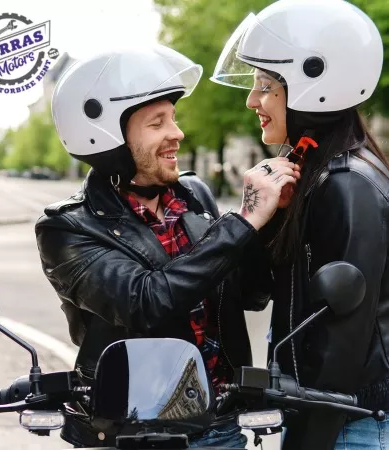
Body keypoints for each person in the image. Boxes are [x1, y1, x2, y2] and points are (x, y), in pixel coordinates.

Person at [35, 44, 300, 448]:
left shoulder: (193, 195)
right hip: (131, 432)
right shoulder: (67, 228)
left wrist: (267, 220)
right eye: (157, 123)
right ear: (107, 137)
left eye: (173, 118)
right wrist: (243, 221)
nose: (177, 133)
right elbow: (147, 302)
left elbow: (252, 295)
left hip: (219, 424)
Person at [211, 0, 389, 448]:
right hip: (329, 417)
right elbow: (252, 293)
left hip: (350, 425)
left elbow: (341, 345)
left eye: (265, 86)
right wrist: (261, 220)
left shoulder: (347, 185)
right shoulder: (311, 174)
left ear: (316, 82)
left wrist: (306, 441)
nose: (252, 100)